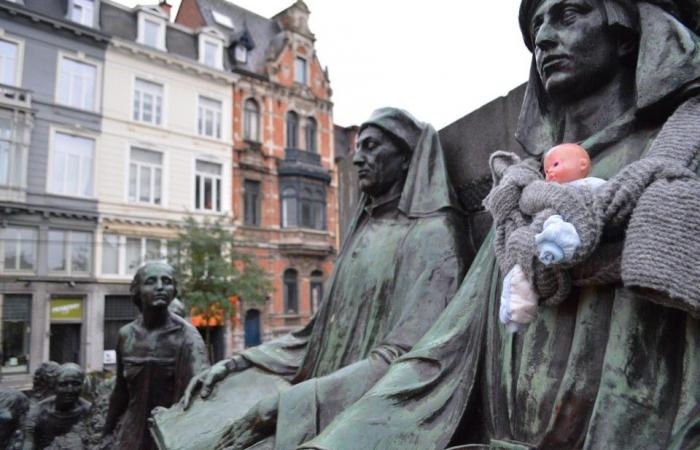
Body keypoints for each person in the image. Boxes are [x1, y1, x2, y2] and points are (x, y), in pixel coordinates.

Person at [300, 1, 700, 449]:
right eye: (537, 27)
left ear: (626, 32)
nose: (544, 38)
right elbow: (442, 351)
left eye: (568, 15)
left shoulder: (679, 159)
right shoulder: (519, 198)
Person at [169, 108, 472, 450]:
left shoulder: (433, 235)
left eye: (371, 147)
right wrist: (237, 363)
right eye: (357, 148)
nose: (358, 159)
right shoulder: (365, 231)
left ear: (405, 158)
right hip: (319, 394)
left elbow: (411, 359)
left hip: (364, 412)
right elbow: (313, 337)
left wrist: (288, 405)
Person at [104, 262, 209, 450]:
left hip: (169, 435)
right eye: (151, 281)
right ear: (137, 290)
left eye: (166, 281)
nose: (160, 287)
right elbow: (120, 392)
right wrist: (105, 433)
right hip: (131, 434)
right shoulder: (126, 335)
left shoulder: (188, 337)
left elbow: (200, 393)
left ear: (174, 290)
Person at [22, 363, 91, 450]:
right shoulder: (38, 412)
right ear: (54, 386)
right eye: (63, 384)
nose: (70, 390)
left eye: (75, 384)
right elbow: (28, 443)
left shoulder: (89, 411)